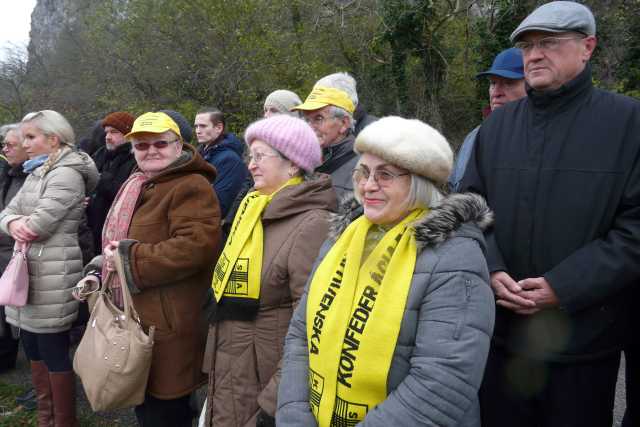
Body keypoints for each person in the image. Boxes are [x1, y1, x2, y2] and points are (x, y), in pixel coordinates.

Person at [460, 2, 640, 426]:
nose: (534, 55)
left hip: (584, 346)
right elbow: (469, 206)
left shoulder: (628, 123)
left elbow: (635, 227)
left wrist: (564, 286)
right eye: (527, 46)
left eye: (549, 43)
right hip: (502, 340)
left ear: (587, 47)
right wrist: (490, 266)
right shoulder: (496, 127)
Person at [277, 116, 495, 426]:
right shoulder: (342, 238)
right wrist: (295, 418)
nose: (368, 186)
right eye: (363, 172)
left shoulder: (455, 256)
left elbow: (444, 382)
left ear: (419, 183)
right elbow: (301, 335)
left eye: (385, 175)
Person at [79, 111, 221, 427]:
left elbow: (196, 247)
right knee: (148, 408)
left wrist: (129, 259)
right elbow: (119, 239)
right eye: (142, 145)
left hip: (168, 324)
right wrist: (102, 267)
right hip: (138, 317)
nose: (151, 151)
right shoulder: (139, 182)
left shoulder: (191, 185)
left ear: (178, 145)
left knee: (166, 411)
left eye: (160, 143)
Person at [201, 114, 337, 427]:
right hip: (230, 366)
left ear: (294, 164)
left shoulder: (312, 224)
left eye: (260, 156)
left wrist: (272, 403)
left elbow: (313, 325)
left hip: (263, 382)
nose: (250, 165)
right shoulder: (253, 209)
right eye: (251, 156)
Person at [0, 110, 99, 427]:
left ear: (53, 139)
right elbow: (7, 214)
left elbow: (38, 226)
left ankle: (63, 421)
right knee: (32, 346)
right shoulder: (37, 171)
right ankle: (46, 418)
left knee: (52, 349)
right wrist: (14, 223)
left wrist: (17, 224)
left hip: (54, 273)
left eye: (31, 137)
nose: (24, 143)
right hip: (30, 270)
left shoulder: (66, 174)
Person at [448, 47, 526, 192]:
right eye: (493, 83)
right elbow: (457, 192)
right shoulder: (475, 137)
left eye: (509, 83)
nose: (496, 92)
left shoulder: (545, 135)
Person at [293, 72, 361, 200]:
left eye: (318, 118)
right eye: (307, 120)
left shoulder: (362, 169)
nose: (309, 127)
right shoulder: (301, 162)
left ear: (344, 123)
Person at [86, 111, 136, 253]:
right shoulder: (100, 155)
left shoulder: (135, 160)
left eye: (114, 132)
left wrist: (103, 179)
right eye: (106, 132)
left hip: (115, 231)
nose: (107, 137)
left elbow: (125, 195)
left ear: (128, 134)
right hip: (92, 228)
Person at [0, 124, 28, 373]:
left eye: (10, 145)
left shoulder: (31, 177)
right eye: (4, 145)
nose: (5, 149)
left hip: (18, 254)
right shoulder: (9, 173)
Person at [194, 106, 249, 218]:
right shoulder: (198, 155)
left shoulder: (230, 160)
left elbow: (219, 205)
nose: (198, 131)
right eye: (196, 126)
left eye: (203, 126)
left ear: (219, 128)